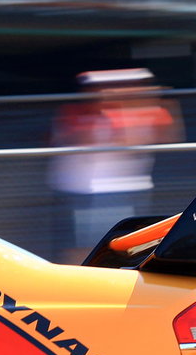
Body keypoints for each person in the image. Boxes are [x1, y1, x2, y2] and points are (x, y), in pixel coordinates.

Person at [49, 68, 184, 262]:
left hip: (128, 189)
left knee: (123, 244)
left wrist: (149, 103)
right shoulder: (80, 113)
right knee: (91, 246)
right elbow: (85, 138)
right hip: (91, 191)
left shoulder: (149, 111)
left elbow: (169, 135)